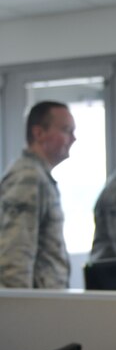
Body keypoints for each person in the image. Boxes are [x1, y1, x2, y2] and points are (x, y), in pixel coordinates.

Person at [0, 101, 76, 288]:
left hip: (45, 304)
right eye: (66, 130)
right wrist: (23, 311)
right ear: (39, 133)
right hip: (35, 308)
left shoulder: (38, 175)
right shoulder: (29, 177)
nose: (73, 138)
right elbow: (15, 256)